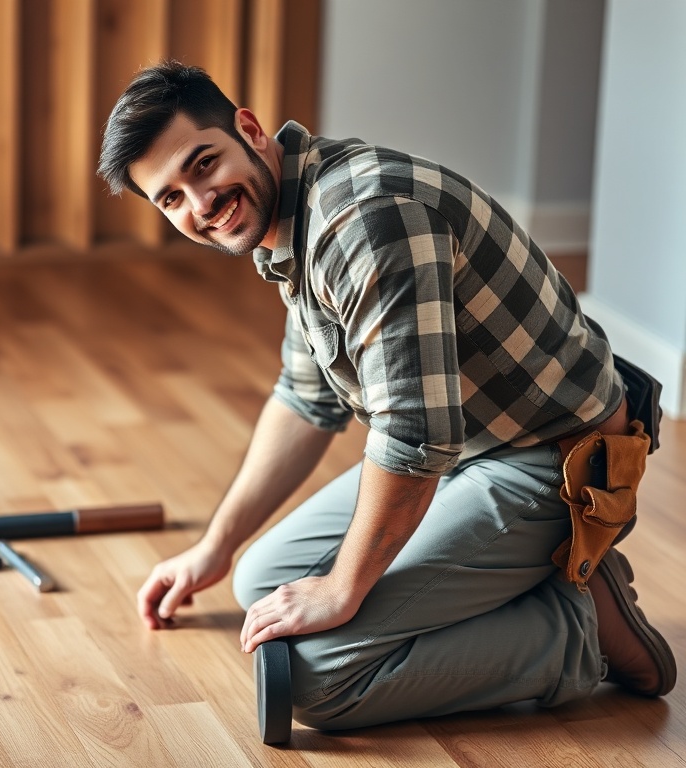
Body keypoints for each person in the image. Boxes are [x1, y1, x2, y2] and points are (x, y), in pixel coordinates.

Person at [97, 61, 676, 730]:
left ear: (249, 131)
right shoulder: (294, 213)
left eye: (202, 165)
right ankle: (526, 579)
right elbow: (306, 398)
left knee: (314, 680)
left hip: (555, 464)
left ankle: (577, 628)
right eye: (171, 198)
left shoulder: (362, 220)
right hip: (465, 449)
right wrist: (213, 548)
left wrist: (345, 590)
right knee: (260, 582)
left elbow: (413, 435)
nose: (199, 205)